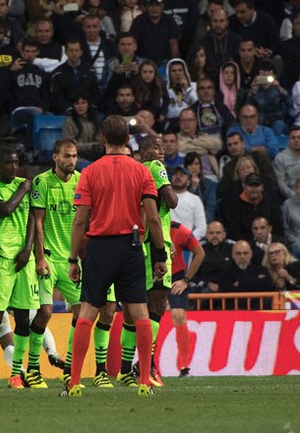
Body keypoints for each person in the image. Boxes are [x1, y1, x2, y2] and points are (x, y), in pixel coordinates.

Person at [65, 115, 166, 397]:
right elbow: (154, 218)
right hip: (131, 247)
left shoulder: (90, 172)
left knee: (88, 311)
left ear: (103, 139)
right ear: (128, 139)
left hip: (99, 248)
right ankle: (144, 381)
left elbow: (80, 220)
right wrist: (159, 255)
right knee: (139, 313)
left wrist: (73, 259)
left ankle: (74, 383)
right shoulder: (141, 171)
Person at [117, 135, 178, 389]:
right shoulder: (154, 167)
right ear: (143, 152)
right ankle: (147, 364)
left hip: (137, 244)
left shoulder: (137, 171)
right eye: (156, 147)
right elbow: (172, 201)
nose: (161, 151)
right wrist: (162, 245)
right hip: (154, 245)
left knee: (134, 312)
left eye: (163, 146)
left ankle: (124, 369)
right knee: (156, 304)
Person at [0, 146, 38, 390]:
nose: (13, 167)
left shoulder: (25, 184)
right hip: (2, 257)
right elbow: (5, 210)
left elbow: (33, 217)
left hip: (24, 259)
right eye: (7, 164)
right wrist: (23, 189)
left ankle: (15, 374)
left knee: (23, 319)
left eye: (15, 163)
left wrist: (28, 249)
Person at [26, 138, 81, 389]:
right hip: (48, 256)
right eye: (66, 156)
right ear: (55, 157)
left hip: (72, 260)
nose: (71, 161)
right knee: (45, 312)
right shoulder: (42, 182)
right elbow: (37, 222)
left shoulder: (82, 181)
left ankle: (70, 369)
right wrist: (39, 257)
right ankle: (33, 369)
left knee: (82, 314)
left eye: (74, 156)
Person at [168, 221, 205, 377]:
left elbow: (200, 253)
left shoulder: (179, 230)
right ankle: (143, 364)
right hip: (150, 276)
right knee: (145, 319)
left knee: (178, 315)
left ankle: (184, 366)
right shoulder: (143, 227)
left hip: (175, 277)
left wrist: (186, 279)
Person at [222, 172, 283, 241]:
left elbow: (277, 227)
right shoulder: (235, 204)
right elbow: (234, 232)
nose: (254, 189)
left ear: (262, 187)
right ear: (244, 186)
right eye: (250, 186)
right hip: (246, 245)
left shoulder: (269, 202)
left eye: (257, 185)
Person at [217, 240, 273, 309]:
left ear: (251, 254)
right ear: (232, 255)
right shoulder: (226, 272)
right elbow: (227, 291)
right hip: (235, 310)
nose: (242, 256)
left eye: (245, 253)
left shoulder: (261, 270)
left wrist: (241, 283)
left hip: (258, 310)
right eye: (238, 254)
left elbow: (268, 285)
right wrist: (255, 285)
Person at [50, 39, 101, 114]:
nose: (74, 53)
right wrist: (70, 108)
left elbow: (96, 93)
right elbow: (56, 97)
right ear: (66, 52)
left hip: (88, 111)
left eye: (76, 50)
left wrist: (88, 106)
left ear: (81, 52)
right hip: (66, 112)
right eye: (71, 50)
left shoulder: (90, 71)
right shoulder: (57, 73)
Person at [191, 220, 234, 293]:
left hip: (229, 288)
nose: (214, 236)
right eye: (211, 233)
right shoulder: (199, 249)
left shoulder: (233, 247)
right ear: (206, 235)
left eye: (218, 233)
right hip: (205, 289)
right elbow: (192, 275)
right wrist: (206, 284)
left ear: (224, 234)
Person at [170, 166, 207, 240]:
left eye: (182, 175)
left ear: (188, 182)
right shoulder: (163, 197)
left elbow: (201, 228)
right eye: (175, 175)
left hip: (187, 245)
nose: (178, 177)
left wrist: (187, 239)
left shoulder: (195, 200)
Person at [199, 8, 242, 73]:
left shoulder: (237, 40)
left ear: (227, 22)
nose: (218, 24)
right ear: (210, 22)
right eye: (215, 21)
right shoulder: (203, 42)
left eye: (221, 21)